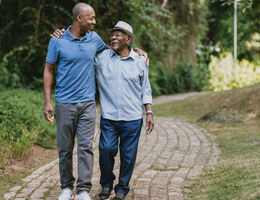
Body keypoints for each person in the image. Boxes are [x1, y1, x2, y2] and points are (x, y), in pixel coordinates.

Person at [43, 3, 107, 200]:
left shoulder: (94, 39)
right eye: (91, 18)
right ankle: (66, 188)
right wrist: (47, 101)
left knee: (86, 148)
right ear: (79, 18)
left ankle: (83, 190)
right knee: (65, 148)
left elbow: (114, 50)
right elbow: (48, 70)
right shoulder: (58, 41)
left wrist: (136, 52)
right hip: (64, 103)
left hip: (88, 103)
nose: (95, 22)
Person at [95, 21, 154, 200]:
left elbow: (146, 89)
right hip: (109, 117)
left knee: (128, 157)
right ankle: (106, 184)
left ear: (128, 39)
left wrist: (149, 111)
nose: (114, 37)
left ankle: (121, 190)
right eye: (113, 34)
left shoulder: (139, 61)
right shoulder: (101, 58)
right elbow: (80, 47)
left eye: (119, 34)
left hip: (133, 118)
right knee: (106, 150)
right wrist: (62, 34)